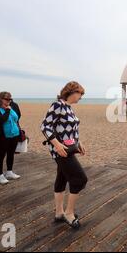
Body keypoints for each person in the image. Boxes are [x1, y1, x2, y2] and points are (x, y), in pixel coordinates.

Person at [41, 81, 87, 229]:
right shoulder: (58, 105)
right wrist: (56, 144)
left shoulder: (69, 107)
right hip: (61, 151)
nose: (81, 97)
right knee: (80, 179)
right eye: (80, 94)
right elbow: (45, 125)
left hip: (69, 148)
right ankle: (69, 213)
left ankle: (59, 213)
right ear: (72, 92)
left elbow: (71, 129)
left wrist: (79, 143)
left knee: (61, 178)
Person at [0, 92, 22, 185]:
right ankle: (0, 175)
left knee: (11, 154)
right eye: (6, 99)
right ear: (0, 99)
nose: (8, 101)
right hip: (2, 136)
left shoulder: (12, 107)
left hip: (14, 135)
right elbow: (0, 120)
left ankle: (9, 172)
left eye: (10, 99)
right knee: (1, 155)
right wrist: (7, 111)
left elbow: (17, 117)